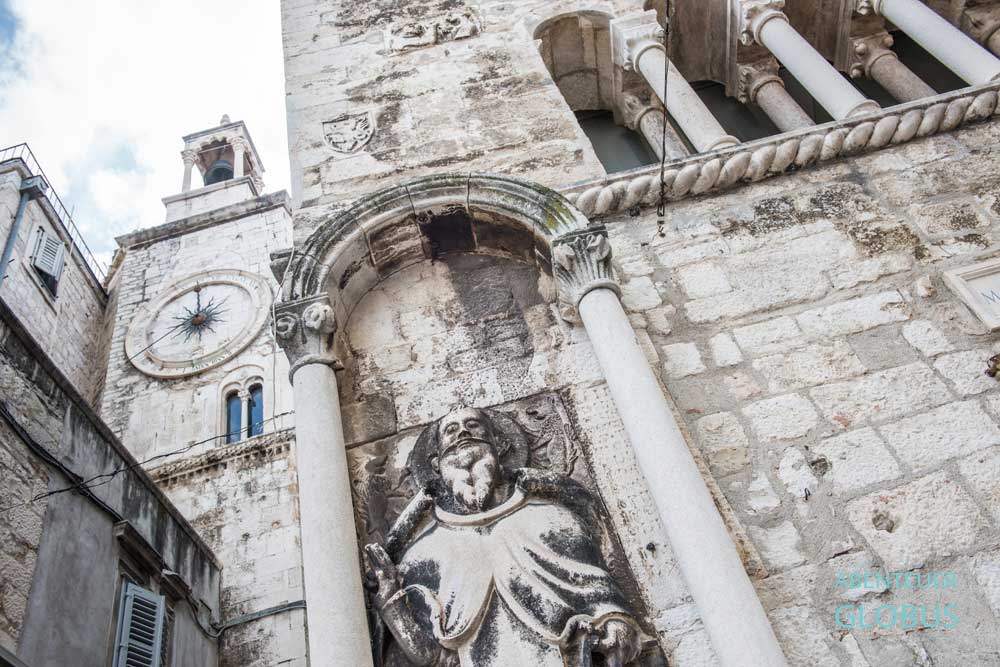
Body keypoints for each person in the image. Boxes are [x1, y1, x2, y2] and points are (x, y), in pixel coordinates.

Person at [366, 406, 643, 667]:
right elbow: (430, 657)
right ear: (436, 464)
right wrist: (391, 600)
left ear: (500, 445)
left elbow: (598, 592)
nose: (463, 433)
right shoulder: (422, 553)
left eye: (473, 425)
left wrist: (615, 621)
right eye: (451, 431)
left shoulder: (552, 518)